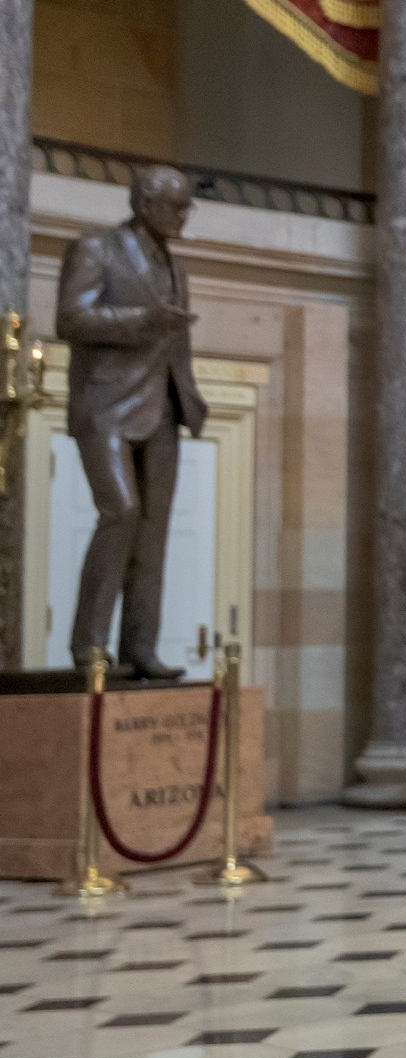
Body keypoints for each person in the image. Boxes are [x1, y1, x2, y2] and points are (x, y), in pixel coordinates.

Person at [57, 164, 207, 679]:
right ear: (144, 204)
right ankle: (89, 645)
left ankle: (141, 647)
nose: (184, 215)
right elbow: (70, 318)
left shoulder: (177, 268)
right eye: (176, 206)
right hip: (106, 406)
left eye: (187, 205)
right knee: (120, 511)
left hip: (162, 408)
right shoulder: (96, 249)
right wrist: (142, 321)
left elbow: (176, 344)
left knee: (152, 533)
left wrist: (189, 396)